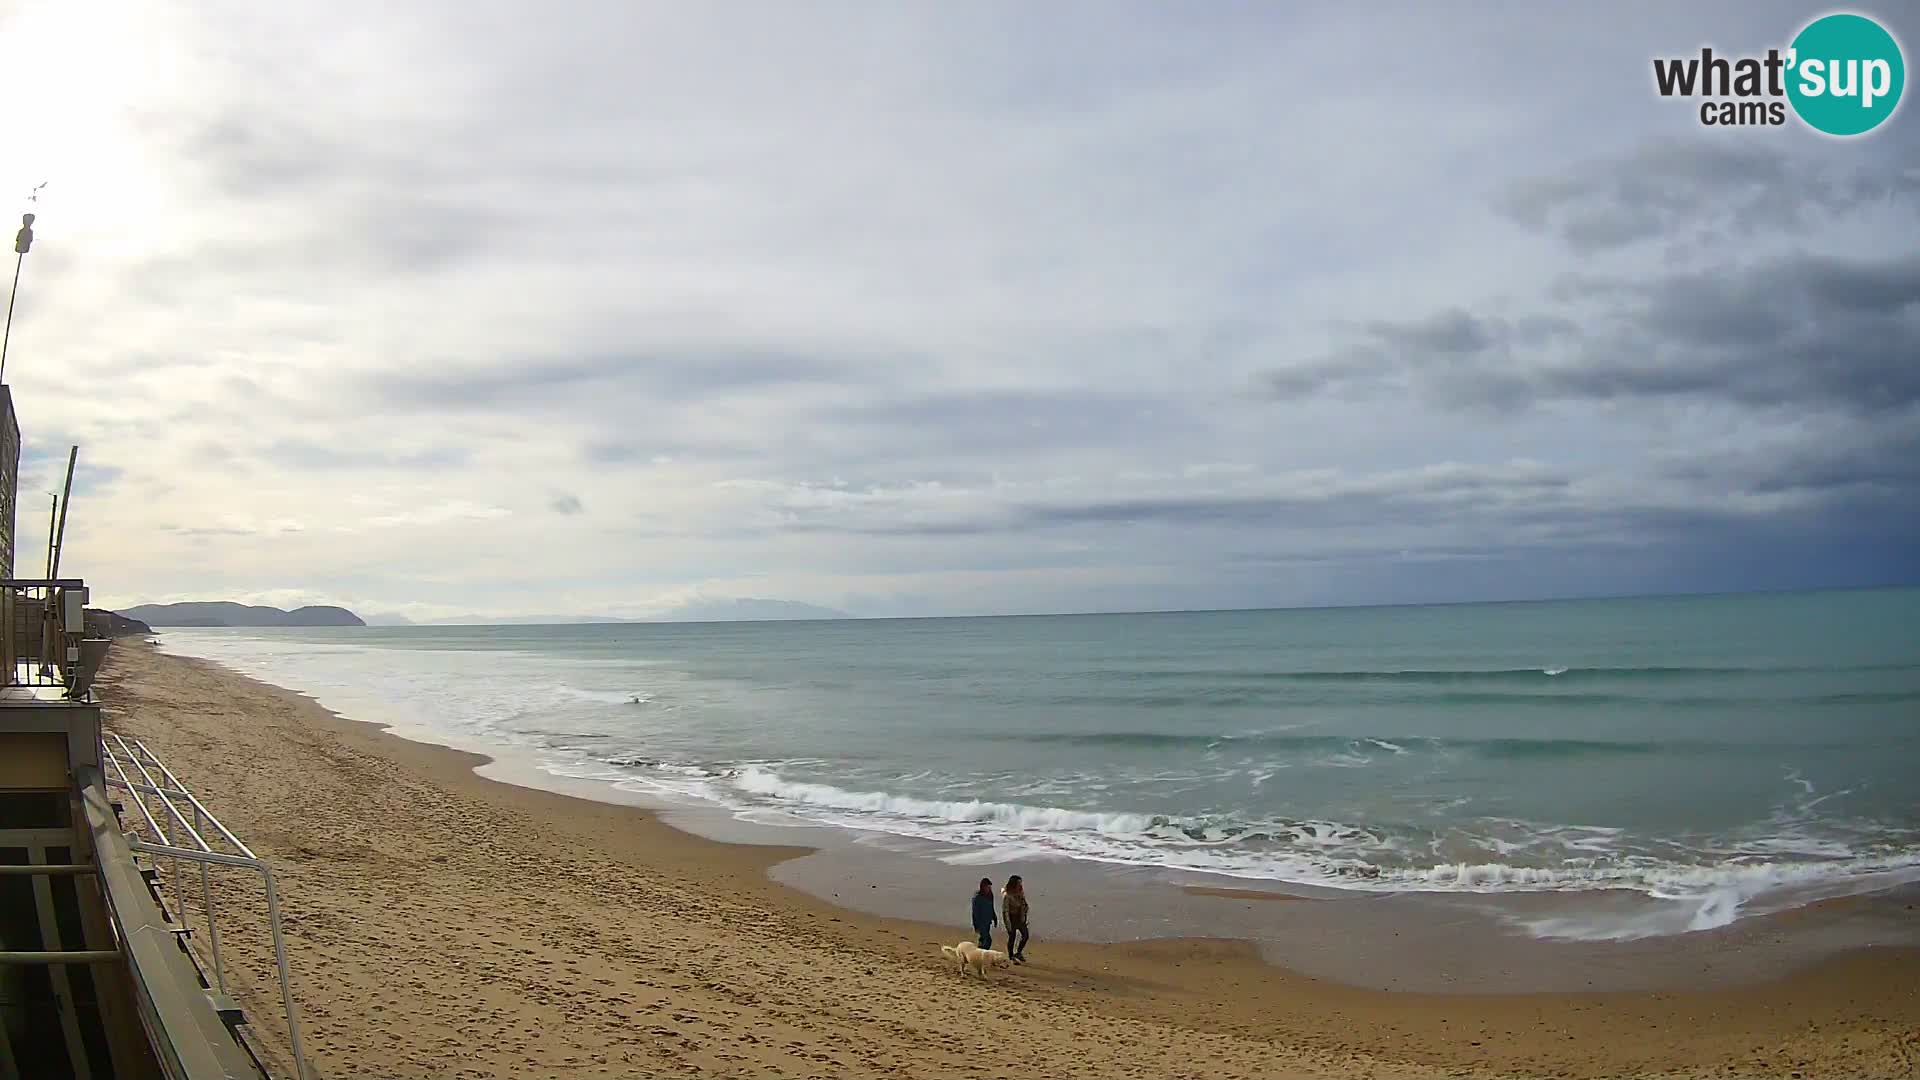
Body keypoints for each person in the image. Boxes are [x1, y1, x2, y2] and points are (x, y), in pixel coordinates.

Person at [1002, 875, 1030, 963]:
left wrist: (1025, 911)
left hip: (1020, 917)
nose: (1020, 885)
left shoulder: (1020, 893)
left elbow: (1024, 904)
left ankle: (1018, 952)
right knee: (1012, 937)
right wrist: (1008, 924)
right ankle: (1011, 955)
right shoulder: (1007, 895)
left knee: (1025, 935)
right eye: (1018, 883)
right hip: (1011, 918)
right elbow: (1005, 911)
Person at [970, 877, 997, 949]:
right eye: (987, 887)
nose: (989, 889)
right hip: (980, 922)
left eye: (989, 887)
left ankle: (980, 953)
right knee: (988, 940)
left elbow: (991, 907)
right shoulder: (977, 897)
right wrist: (976, 925)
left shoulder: (990, 895)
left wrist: (994, 917)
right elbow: (975, 912)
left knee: (982, 939)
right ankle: (981, 953)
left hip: (988, 921)